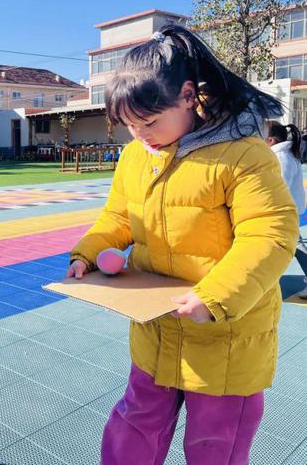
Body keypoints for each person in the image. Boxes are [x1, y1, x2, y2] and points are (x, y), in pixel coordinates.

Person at [66, 24, 298, 464]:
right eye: (130, 126)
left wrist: (215, 296)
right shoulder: (138, 155)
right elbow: (118, 217)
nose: (141, 135)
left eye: (150, 122)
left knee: (216, 446)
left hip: (225, 339)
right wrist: (88, 253)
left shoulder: (243, 154)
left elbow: (270, 233)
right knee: (133, 432)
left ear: (188, 96)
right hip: (157, 331)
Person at [267, 122, 307, 297]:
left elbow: (279, 186)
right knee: (293, 246)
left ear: (270, 140)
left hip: (281, 213)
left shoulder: (280, 157)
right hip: (285, 211)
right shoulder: (283, 155)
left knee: (292, 247)